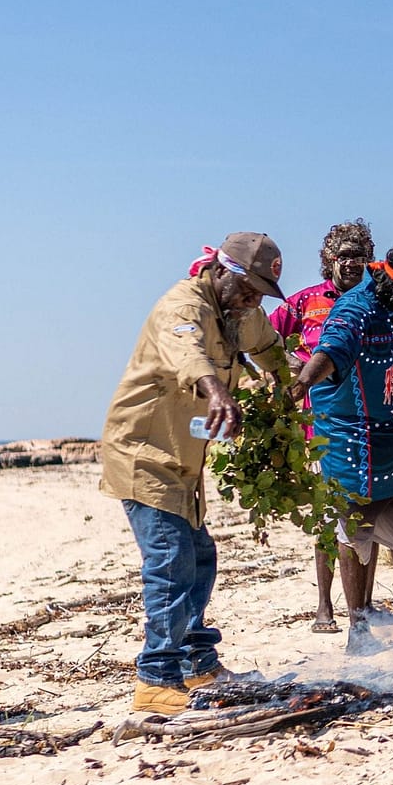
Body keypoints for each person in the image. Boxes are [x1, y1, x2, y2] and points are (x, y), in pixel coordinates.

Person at [101, 232, 289, 715]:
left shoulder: (237, 313)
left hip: (185, 461)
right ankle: (155, 679)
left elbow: (268, 345)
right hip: (144, 453)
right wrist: (218, 391)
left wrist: (288, 381)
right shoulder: (182, 308)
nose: (253, 301)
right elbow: (190, 355)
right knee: (170, 560)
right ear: (221, 271)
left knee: (200, 556)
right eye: (248, 288)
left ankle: (197, 663)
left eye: (261, 294)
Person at [291, 245, 393, 655]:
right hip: (357, 445)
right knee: (354, 531)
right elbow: (330, 354)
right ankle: (359, 626)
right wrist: (299, 387)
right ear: (390, 287)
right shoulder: (355, 309)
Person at [269, 220, 377, 634]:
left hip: (370, 427)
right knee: (330, 518)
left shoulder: (376, 301)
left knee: (367, 520)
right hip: (320, 431)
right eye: (343, 255)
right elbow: (265, 337)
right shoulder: (306, 302)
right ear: (328, 259)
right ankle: (323, 607)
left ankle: (362, 606)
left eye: (358, 255)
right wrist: (291, 366)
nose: (351, 262)